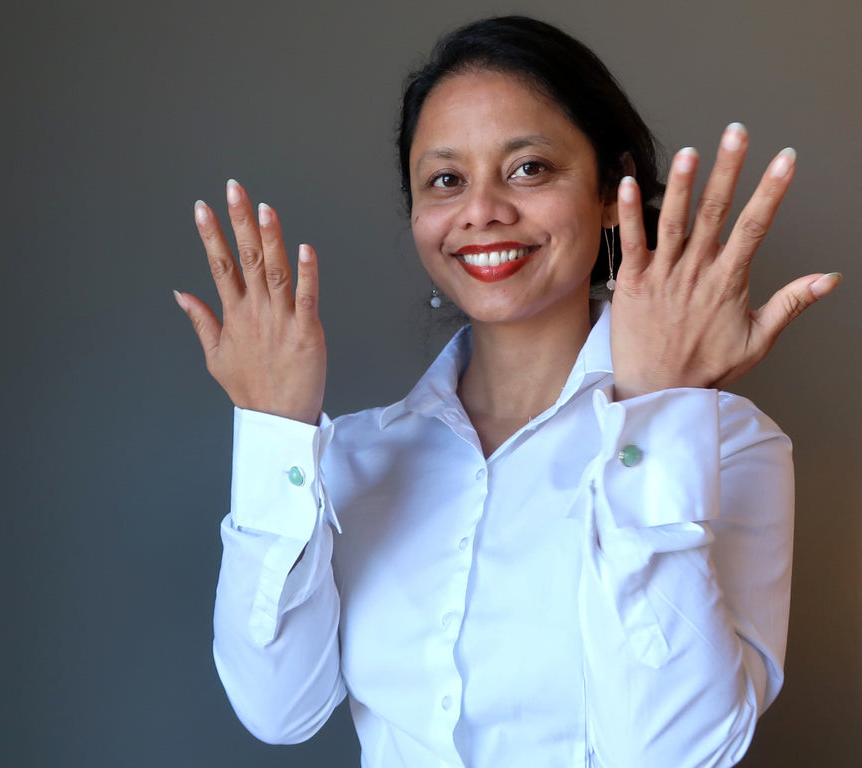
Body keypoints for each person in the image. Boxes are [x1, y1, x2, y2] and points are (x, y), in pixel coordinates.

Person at [174, 15, 840, 768]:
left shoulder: (723, 443)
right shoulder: (352, 457)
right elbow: (277, 712)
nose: (481, 210)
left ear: (609, 191)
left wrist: (655, 411)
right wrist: (273, 428)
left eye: (529, 168)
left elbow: (674, 753)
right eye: (446, 180)